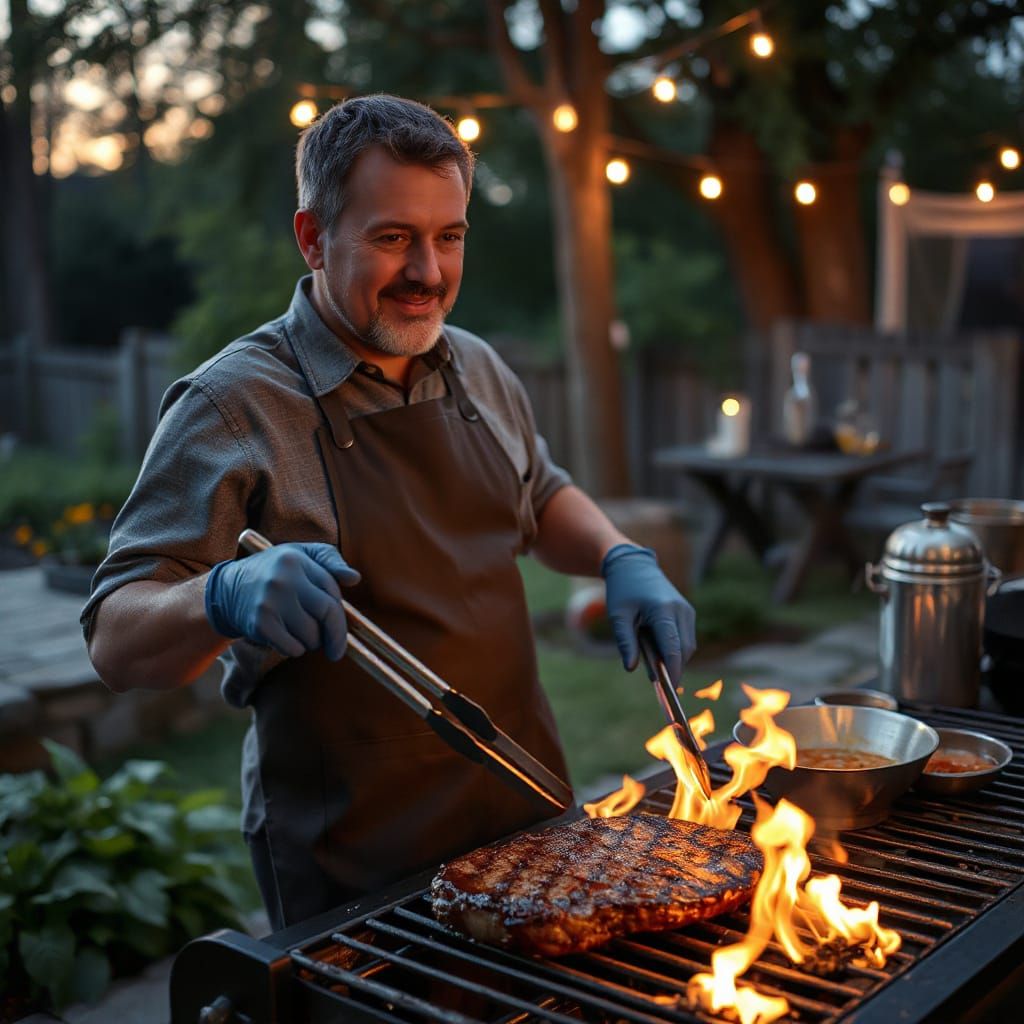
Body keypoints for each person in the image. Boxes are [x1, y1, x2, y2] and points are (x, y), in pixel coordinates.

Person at [83, 95, 696, 931]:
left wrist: (621, 555)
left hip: (527, 815)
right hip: (355, 862)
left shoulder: (477, 367)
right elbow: (115, 639)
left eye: (449, 237)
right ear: (312, 237)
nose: (429, 272)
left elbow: (541, 494)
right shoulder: (233, 406)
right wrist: (221, 595)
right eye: (392, 237)